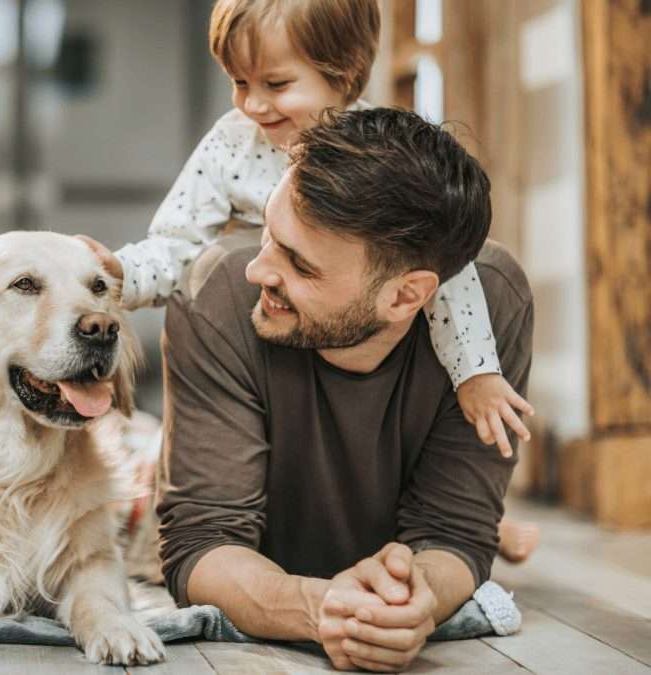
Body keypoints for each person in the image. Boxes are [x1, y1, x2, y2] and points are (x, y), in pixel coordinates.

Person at [79, 0, 539, 561]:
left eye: (275, 84)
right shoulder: (233, 144)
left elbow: (447, 269)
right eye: (239, 82)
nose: (252, 104)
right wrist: (122, 274)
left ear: (342, 75)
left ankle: (484, 523)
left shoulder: (381, 160)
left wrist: (477, 374)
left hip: (338, 327)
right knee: (145, 473)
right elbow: (177, 239)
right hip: (267, 341)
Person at [157, 107, 533, 671]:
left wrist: (416, 601)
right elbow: (201, 542)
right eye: (269, 233)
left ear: (406, 296)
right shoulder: (216, 296)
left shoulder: (495, 305)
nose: (259, 271)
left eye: (299, 265)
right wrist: (320, 608)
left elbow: (454, 534)